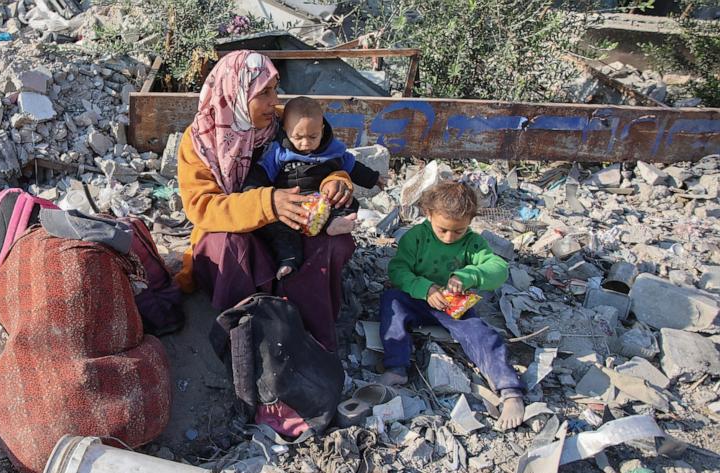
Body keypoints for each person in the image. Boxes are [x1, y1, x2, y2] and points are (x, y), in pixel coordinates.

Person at [175, 50, 355, 352]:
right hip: (238, 228)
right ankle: (246, 335)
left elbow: (325, 161)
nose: (275, 100)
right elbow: (202, 207)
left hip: (290, 224)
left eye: (275, 89)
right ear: (235, 92)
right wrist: (268, 204)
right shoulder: (199, 142)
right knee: (225, 245)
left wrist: (336, 182)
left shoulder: (285, 124)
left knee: (332, 242)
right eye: (264, 92)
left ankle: (307, 339)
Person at [379, 180, 526, 430]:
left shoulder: (472, 242)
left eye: (458, 231)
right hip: (416, 299)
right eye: (442, 230)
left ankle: (510, 390)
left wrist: (468, 276)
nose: (449, 237)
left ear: (469, 221)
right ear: (428, 214)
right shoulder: (415, 238)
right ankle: (396, 367)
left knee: (482, 334)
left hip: (453, 306)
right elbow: (398, 270)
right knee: (391, 303)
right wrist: (424, 288)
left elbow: (498, 269)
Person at [241, 96, 381, 280]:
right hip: (291, 203)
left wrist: (374, 179)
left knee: (347, 202)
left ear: (322, 130)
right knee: (280, 230)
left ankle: (333, 223)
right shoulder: (278, 152)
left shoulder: (333, 149)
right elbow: (261, 172)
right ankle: (288, 260)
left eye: (313, 136)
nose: (306, 143)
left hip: (321, 200)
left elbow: (352, 166)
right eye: (298, 137)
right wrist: (251, 189)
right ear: (285, 130)